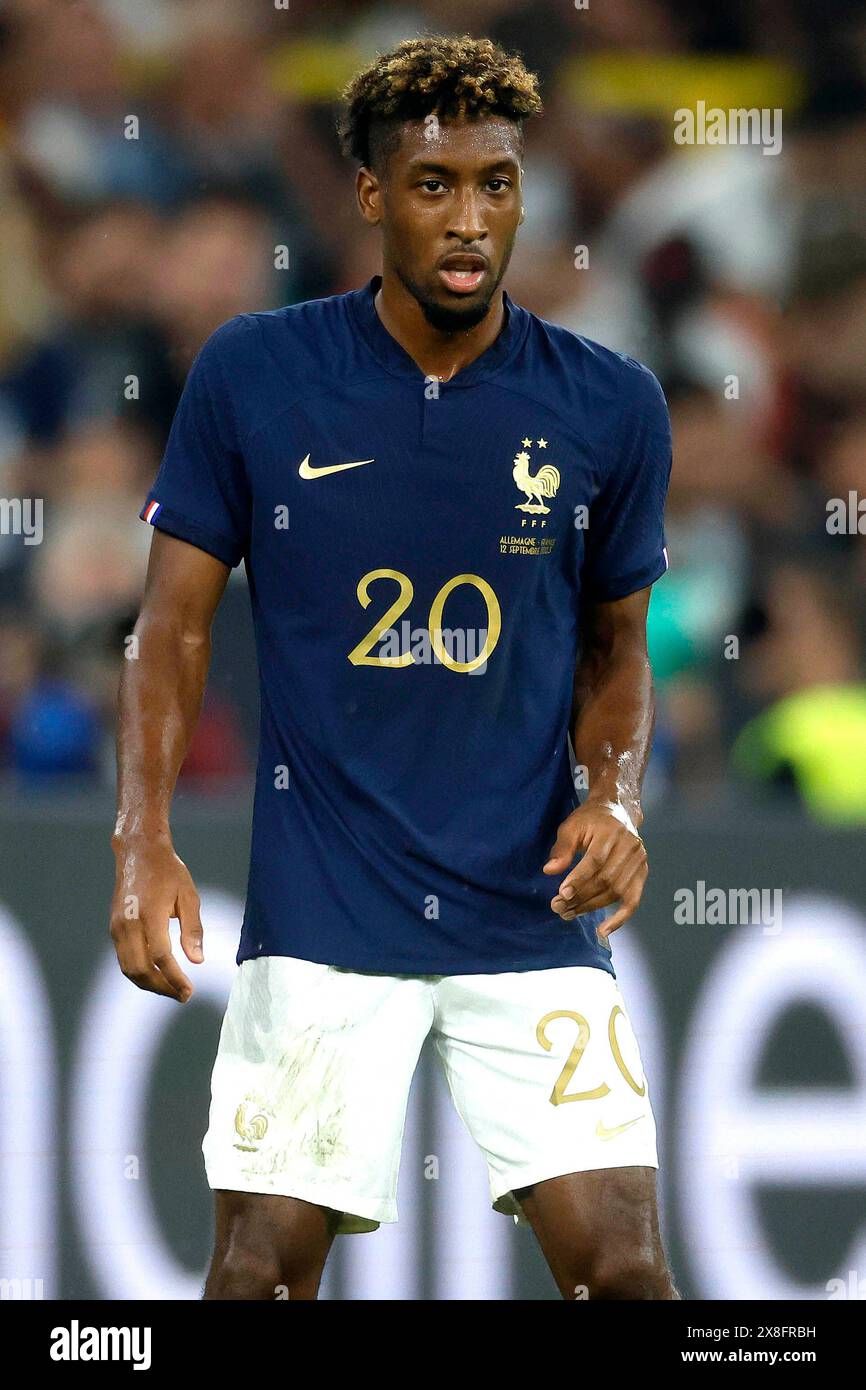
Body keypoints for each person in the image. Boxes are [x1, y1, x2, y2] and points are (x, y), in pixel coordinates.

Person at [110, 34, 678, 1301]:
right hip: (322, 907)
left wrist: (616, 794)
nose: (470, 219)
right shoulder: (256, 374)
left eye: (495, 183)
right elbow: (172, 632)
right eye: (433, 185)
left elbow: (616, 648)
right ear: (371, 197)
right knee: (257, 1272)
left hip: (524, 903)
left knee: (625, 1270)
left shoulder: (608, 404)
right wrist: (141, 838)